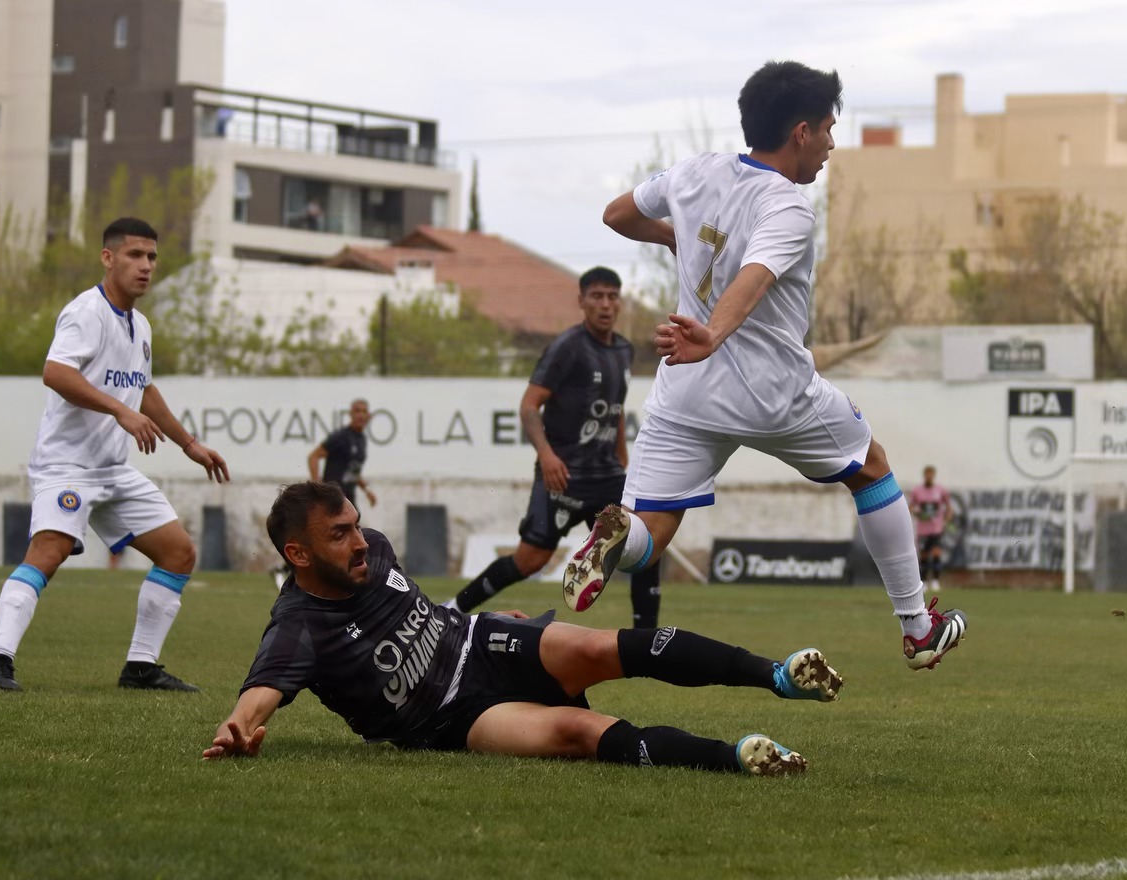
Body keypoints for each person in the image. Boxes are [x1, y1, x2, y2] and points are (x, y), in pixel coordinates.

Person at [562, 61, 968, 670]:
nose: (832, 143)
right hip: (772, 393)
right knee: (872, 468)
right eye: (830, 129)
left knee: (653, 532)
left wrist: (675, 237)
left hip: (685, 390)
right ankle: (917, 628)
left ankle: (616, 538)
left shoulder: (698, 168)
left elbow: (617, 215)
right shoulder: (790, 207)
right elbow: (756, 276)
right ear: (801, 131)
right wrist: (715, 333)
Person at [204, 481, 841, 777]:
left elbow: (417, 609)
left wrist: (466, 620)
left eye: (356, 524)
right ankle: (740, 759)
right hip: (449, 717)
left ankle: (779, 676)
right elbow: (260, 695)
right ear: (298, 555)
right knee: (575, 732)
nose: (359, 542)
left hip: (479, 640)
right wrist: (237, 731)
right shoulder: (297, 626)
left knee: (598, 646)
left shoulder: (374, 548)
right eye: (338, 535)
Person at [0, 217, 230, 693]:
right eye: (135, 255)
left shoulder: (141, 325)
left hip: (113, 471)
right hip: (67, 466)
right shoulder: (85, 312)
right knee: (50, 551)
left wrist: (190, 445)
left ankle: (140, 667)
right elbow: (55, 373)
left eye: (152, 257)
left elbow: (144, 389)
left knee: (178, 553)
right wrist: (121, 411)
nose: (145, 266)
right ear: (108, 257)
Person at [450, 268, 661, 628]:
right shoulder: (567, 347)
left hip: (607, 477)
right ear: (581, 302)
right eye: (596, 296)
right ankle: (453, 609)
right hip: (563, 476)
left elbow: (615, 412)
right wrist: (547, 456)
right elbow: (529, 406)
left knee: (644, 543)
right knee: (529, 561)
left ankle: (647, 639)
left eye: (612, 296)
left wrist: (624, 466)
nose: (605, 304)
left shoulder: (624, 350)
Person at [307, 398, 376, 511]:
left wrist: (367, 490)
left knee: (355, 523)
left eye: (364, 412)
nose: (361, 415)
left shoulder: (361, 439)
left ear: (368, 416)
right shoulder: (341, 437)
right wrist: (316, 487)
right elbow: (313, 456)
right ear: (351, 414)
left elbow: (353, 470)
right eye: (357, 411)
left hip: (349, 497)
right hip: (333, 497)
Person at [909, 466, 951, 591]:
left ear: (933, 475)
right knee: (924, 556)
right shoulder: (917, 490)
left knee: (937, 553)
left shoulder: (940, 490)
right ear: (924, 475)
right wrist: (918, 514)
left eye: (931, 474)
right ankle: (925, 582)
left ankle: (936, 581)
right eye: (927, 474)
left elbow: (948, 507)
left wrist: (946, 520)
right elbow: (911, 507)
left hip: (937, 528)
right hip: (923, 530)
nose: (929, 476)